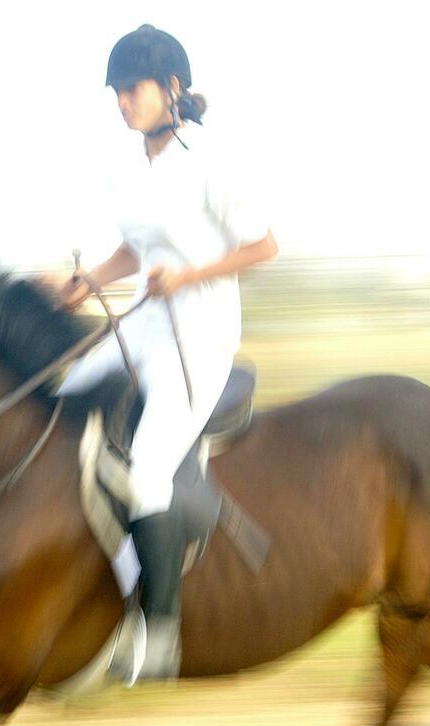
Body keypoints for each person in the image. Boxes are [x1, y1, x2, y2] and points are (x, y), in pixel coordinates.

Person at [55, 24, 278, 685]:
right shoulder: (123, 166)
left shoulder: (211, 159)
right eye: (117, 94)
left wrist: (187, 277)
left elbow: (262, 247)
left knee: (148, 474)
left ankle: (161, 636)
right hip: (144, 327)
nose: (123, 103)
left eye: (133, 90)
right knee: (62, 401)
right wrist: (87, 281)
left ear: (171, 89)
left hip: (198, 337)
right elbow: (136, 250)